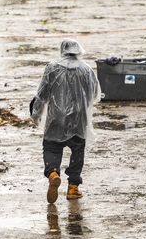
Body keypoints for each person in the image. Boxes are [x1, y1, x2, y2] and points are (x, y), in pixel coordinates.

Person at [31, 40, 100, 204]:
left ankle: (53, 173)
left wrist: (36, 114)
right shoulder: (86, 69)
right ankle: (73, 188)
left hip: (56, 117)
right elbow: (95, 93)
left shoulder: (52, 67)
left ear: (62, 50)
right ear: (78, 51)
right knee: (78, 150)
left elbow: (42, 93)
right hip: (78, 118)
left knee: (51, 147)